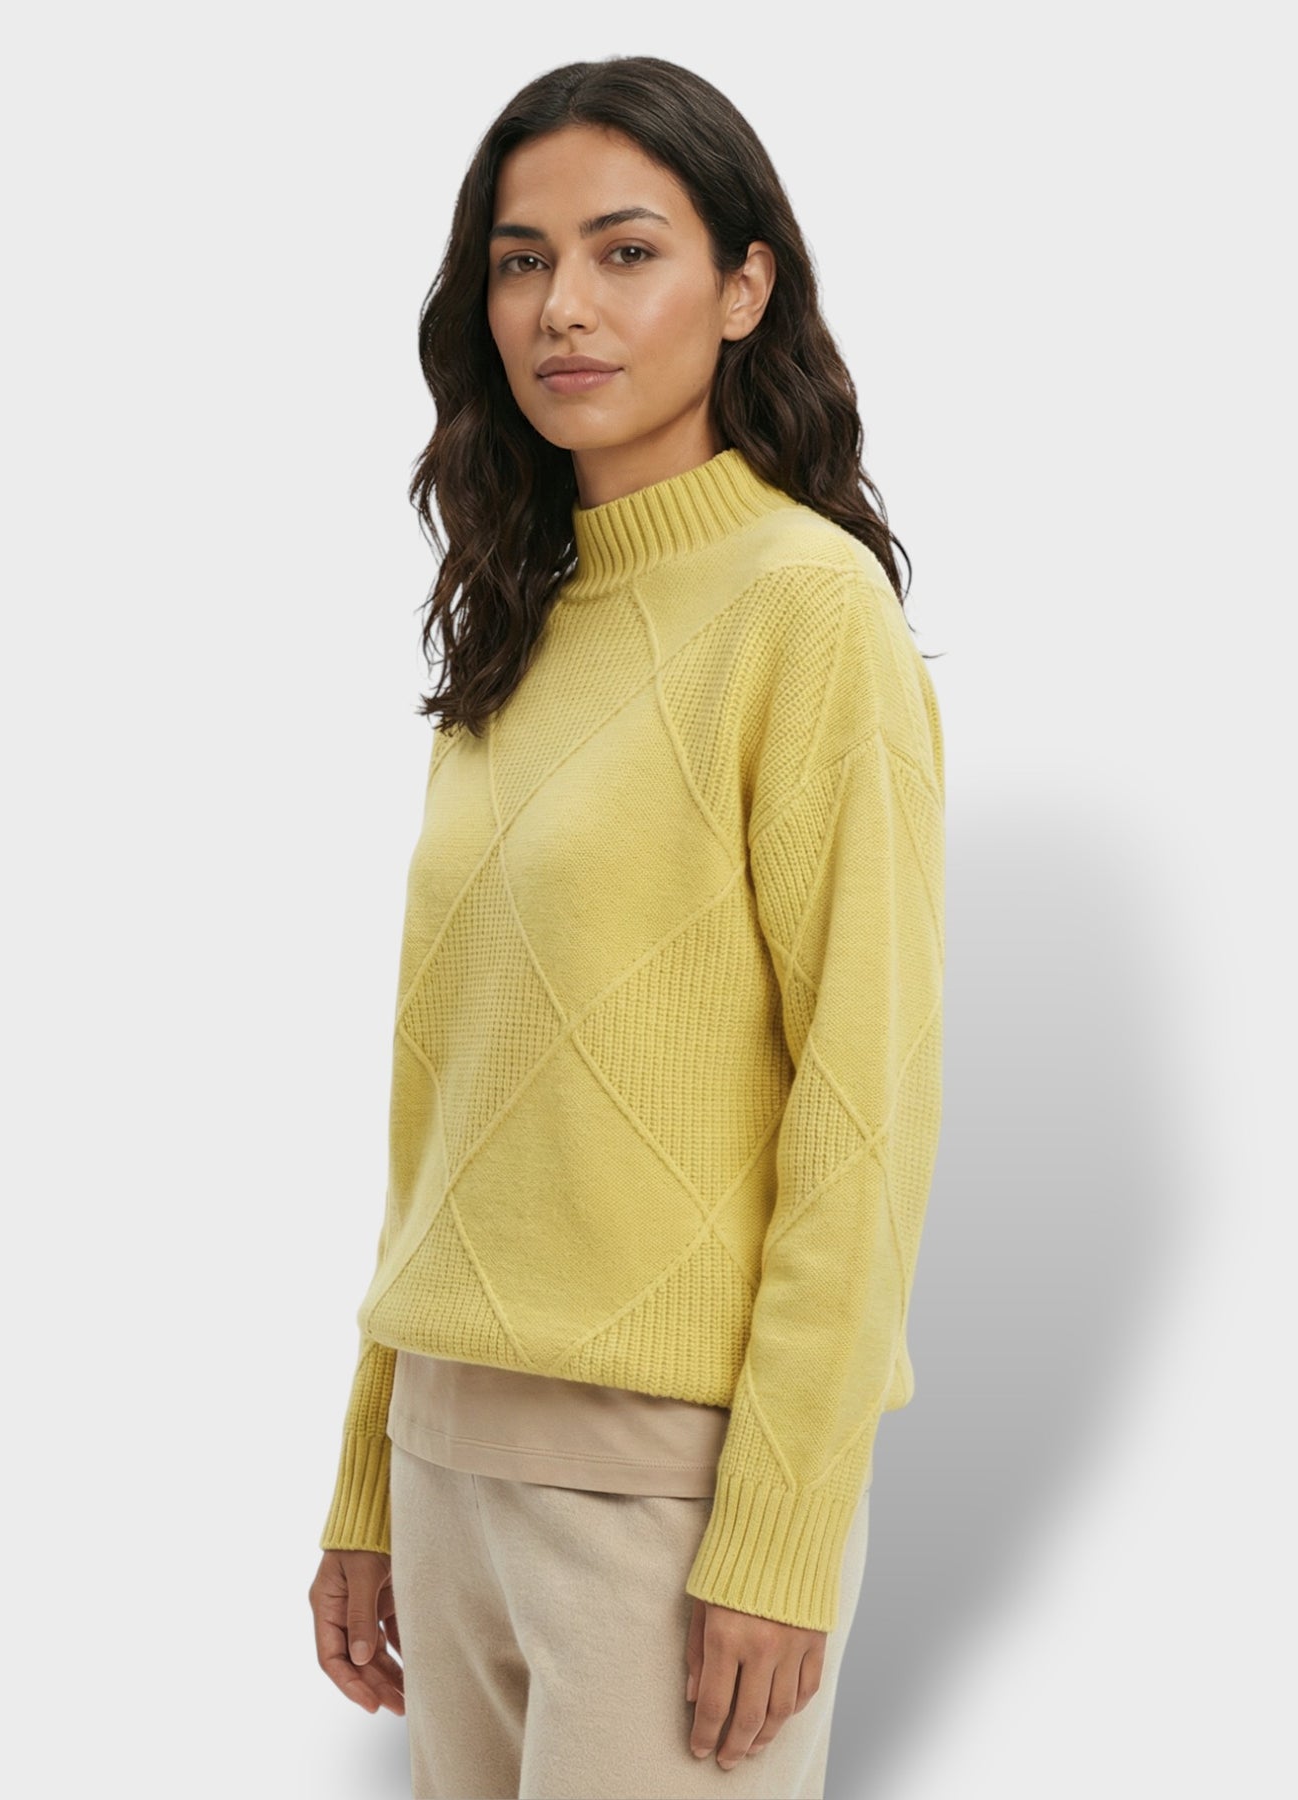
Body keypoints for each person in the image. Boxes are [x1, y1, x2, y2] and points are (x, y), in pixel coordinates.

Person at [309, 54, 945, 1800]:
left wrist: (783, 1530)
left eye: (626, 251)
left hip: (666, 1495)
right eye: (520, 261)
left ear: (745, 288)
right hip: (448, 1461)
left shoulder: (807, 614)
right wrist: (371, 1475)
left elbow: (866, 1109)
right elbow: (445, 1104)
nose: (562, 308)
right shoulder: (511, 631)